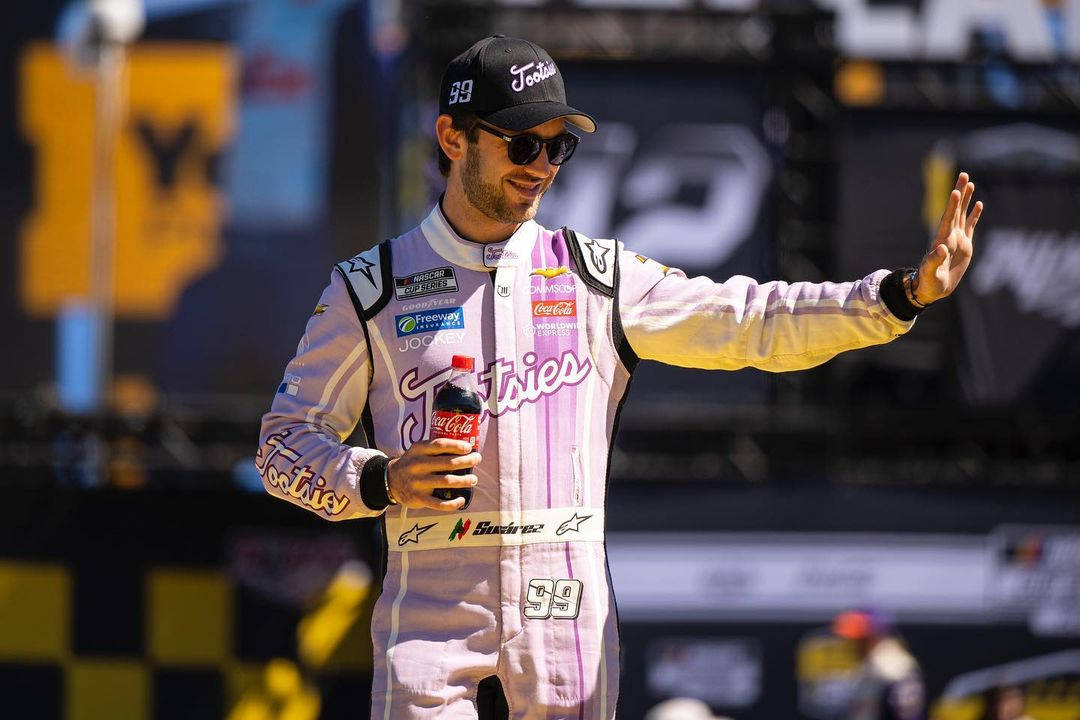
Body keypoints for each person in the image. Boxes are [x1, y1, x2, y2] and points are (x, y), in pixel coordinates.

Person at [256, 35, 983, 720]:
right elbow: (284, 446)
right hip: (429, 599)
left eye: (558, 145)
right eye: (521, 141)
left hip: (565, 598)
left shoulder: (596, 276)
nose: (541, 164)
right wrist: (383, 480)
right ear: (453, 138)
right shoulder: (371, 289)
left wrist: (897, 296)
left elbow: (752, 322)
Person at [833, 609, 925, 720]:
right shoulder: (873, 662)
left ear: (875, 636)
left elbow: (907, 713)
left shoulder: (889, 666)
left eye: (859, 640)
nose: (852, 645)